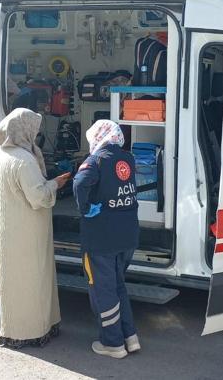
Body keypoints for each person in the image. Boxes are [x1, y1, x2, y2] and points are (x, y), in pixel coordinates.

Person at [0, 108, 71, 349]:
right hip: (27, 232)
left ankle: (13, 329)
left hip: (5, 229)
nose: (35, 134)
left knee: (12, 282)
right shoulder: (24, 161)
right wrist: (56, 183)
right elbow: (39, 198)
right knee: (33, 280)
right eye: (33, 129)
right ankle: (33, 331)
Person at [73, 120, 140, 359]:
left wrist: (85, 208)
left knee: (103, 291)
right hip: (127, 234)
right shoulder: (128, 158)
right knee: (119, 285)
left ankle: (112, 344)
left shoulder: (96, 160)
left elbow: (80, 183)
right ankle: (129, 337)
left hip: (102, 237)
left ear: (97, 137)